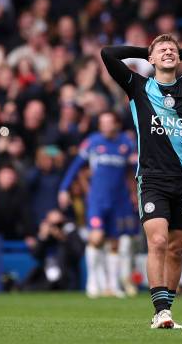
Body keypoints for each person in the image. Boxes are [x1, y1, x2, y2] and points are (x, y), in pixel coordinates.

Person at [100, 34, 182, 329]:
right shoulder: (138, 87)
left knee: (176, 248)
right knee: (158, 240)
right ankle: (160, 311)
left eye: (173, 49)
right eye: (163, 49)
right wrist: (145, 51)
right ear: (152, 59)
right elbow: (109, 53)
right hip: (152, 178)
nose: (169, 51)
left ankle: (166, 311)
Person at [58, 111, 137, 298]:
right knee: (96, 238)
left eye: (109, 122)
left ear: (117, 124)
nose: (106, 126)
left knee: (115, 243)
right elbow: (76, 166)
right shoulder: (92, 142)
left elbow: (131, 173)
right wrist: (64, 188)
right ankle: (93, 283)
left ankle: (113, 286)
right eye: (103, 123)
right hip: (97, 200)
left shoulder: (127, 144)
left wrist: (135, 194)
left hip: (119, 201)